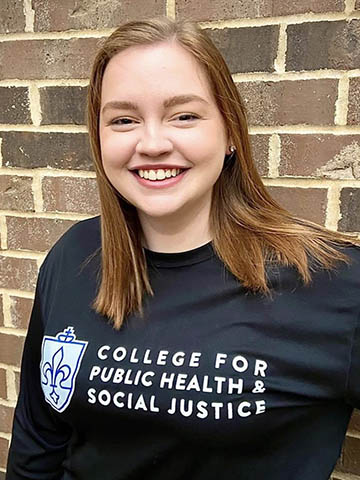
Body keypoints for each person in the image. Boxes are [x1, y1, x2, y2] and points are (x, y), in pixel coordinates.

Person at [5, 15, 360, 480]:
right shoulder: (73, 256)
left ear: (230, 131)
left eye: (184, 116)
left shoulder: (332, 282)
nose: (152, 143)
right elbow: (38, 442)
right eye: (124, 120)